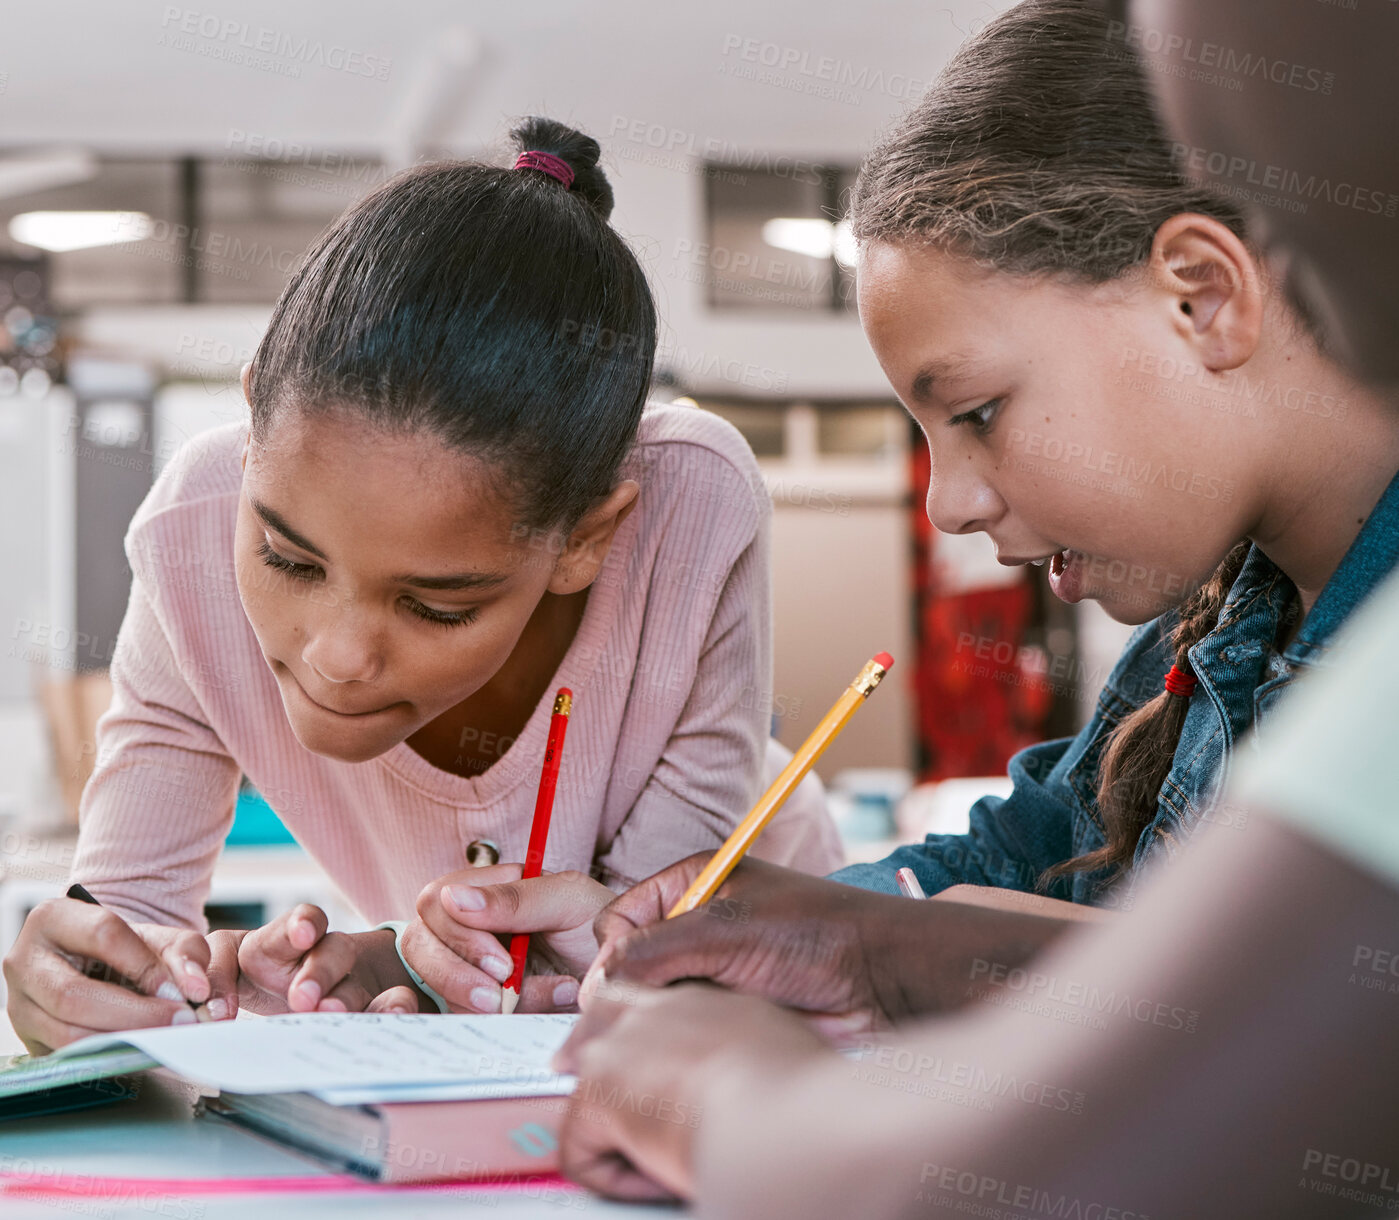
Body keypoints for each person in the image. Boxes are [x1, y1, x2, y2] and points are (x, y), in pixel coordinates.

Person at [555, 0, 1399, 1210]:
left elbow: (1096, 1151)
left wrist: (722, 1091)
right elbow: (1023, 860)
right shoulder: (1205, 639)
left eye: (978, 411)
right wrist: (822, 927)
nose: (947, 505)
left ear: (1204, 296)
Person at [3, 117, 839, 1054]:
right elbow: (125, 912)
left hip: (774, 978)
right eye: (288, 559)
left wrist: (402, 963)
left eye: (438, 606)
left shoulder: (692, 503)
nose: (339, 657)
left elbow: (627, 939)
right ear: (249, 429)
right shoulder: (192, 529)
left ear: (584, 540)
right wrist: (92, 975)